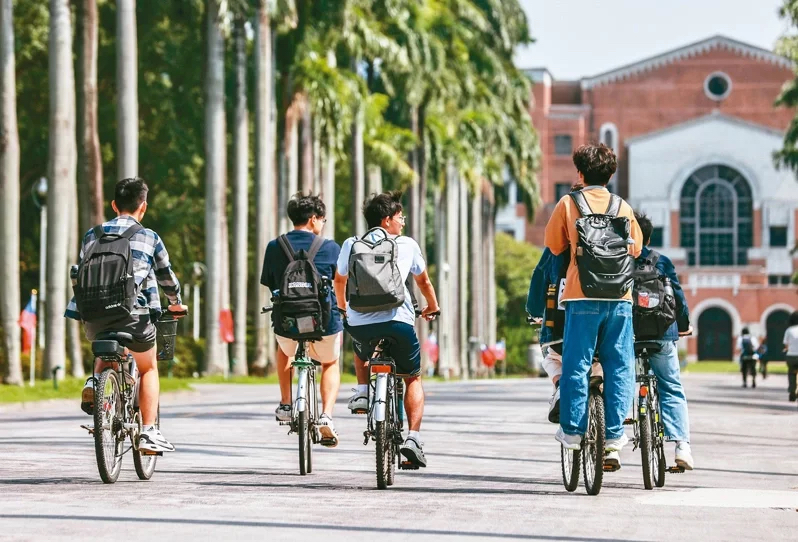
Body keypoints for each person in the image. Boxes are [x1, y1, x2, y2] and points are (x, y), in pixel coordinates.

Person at [66, 177, 187, 453]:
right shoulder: (148, 236)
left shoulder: (92, 235)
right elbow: (166, 277)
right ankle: (148, 431)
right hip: (133, 317)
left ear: (113, 205)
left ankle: (95, 383)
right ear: (143, 207)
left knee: (105, 349)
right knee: (148, 367)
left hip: (93, 317)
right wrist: (176, 302)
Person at [544, 143, 643, 470]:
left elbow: (553, 245)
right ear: (611, 174)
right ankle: (613, 440)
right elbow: (637, 249)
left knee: (576, 363)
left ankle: (573, 432)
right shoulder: (622, 206)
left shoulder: (568, 203)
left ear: (581, 173)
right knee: (619, 365)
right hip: (619, 299)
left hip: (581, 296)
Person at [335, 191, 440, 468]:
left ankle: (361, 391)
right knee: (412, 378)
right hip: (399, 322)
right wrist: (433, 307)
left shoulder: (351, 244)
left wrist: (344, 308)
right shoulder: (406, 244)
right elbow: (424, 282)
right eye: (399, 217)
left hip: (360, 324)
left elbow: (339, 280)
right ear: (387, 219)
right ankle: (413, 438)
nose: (402, 222)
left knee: (361, 342)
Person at [260, 193, 343, 446]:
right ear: (314, 219)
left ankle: (286, 403)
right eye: (323, 220)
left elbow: (270, 283)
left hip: (287, 324)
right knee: (330, 361)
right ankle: (326, 415)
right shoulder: (330, 247)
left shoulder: (275, 246)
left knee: (284, 350)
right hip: (324, 323)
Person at [634, 212, 695, 470]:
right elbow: (677, 297)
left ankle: (614, 442)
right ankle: (682, 446)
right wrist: (683, 326)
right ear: (648, 236)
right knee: (671, 386)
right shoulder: (662, 261)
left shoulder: (618, 262)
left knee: (621, 380)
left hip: (630, 336)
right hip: (662, 334)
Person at [782, 311, 798, 402]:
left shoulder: (789, 330)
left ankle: (792, 392)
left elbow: (786, 345)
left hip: (791, 356)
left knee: (792, 374)